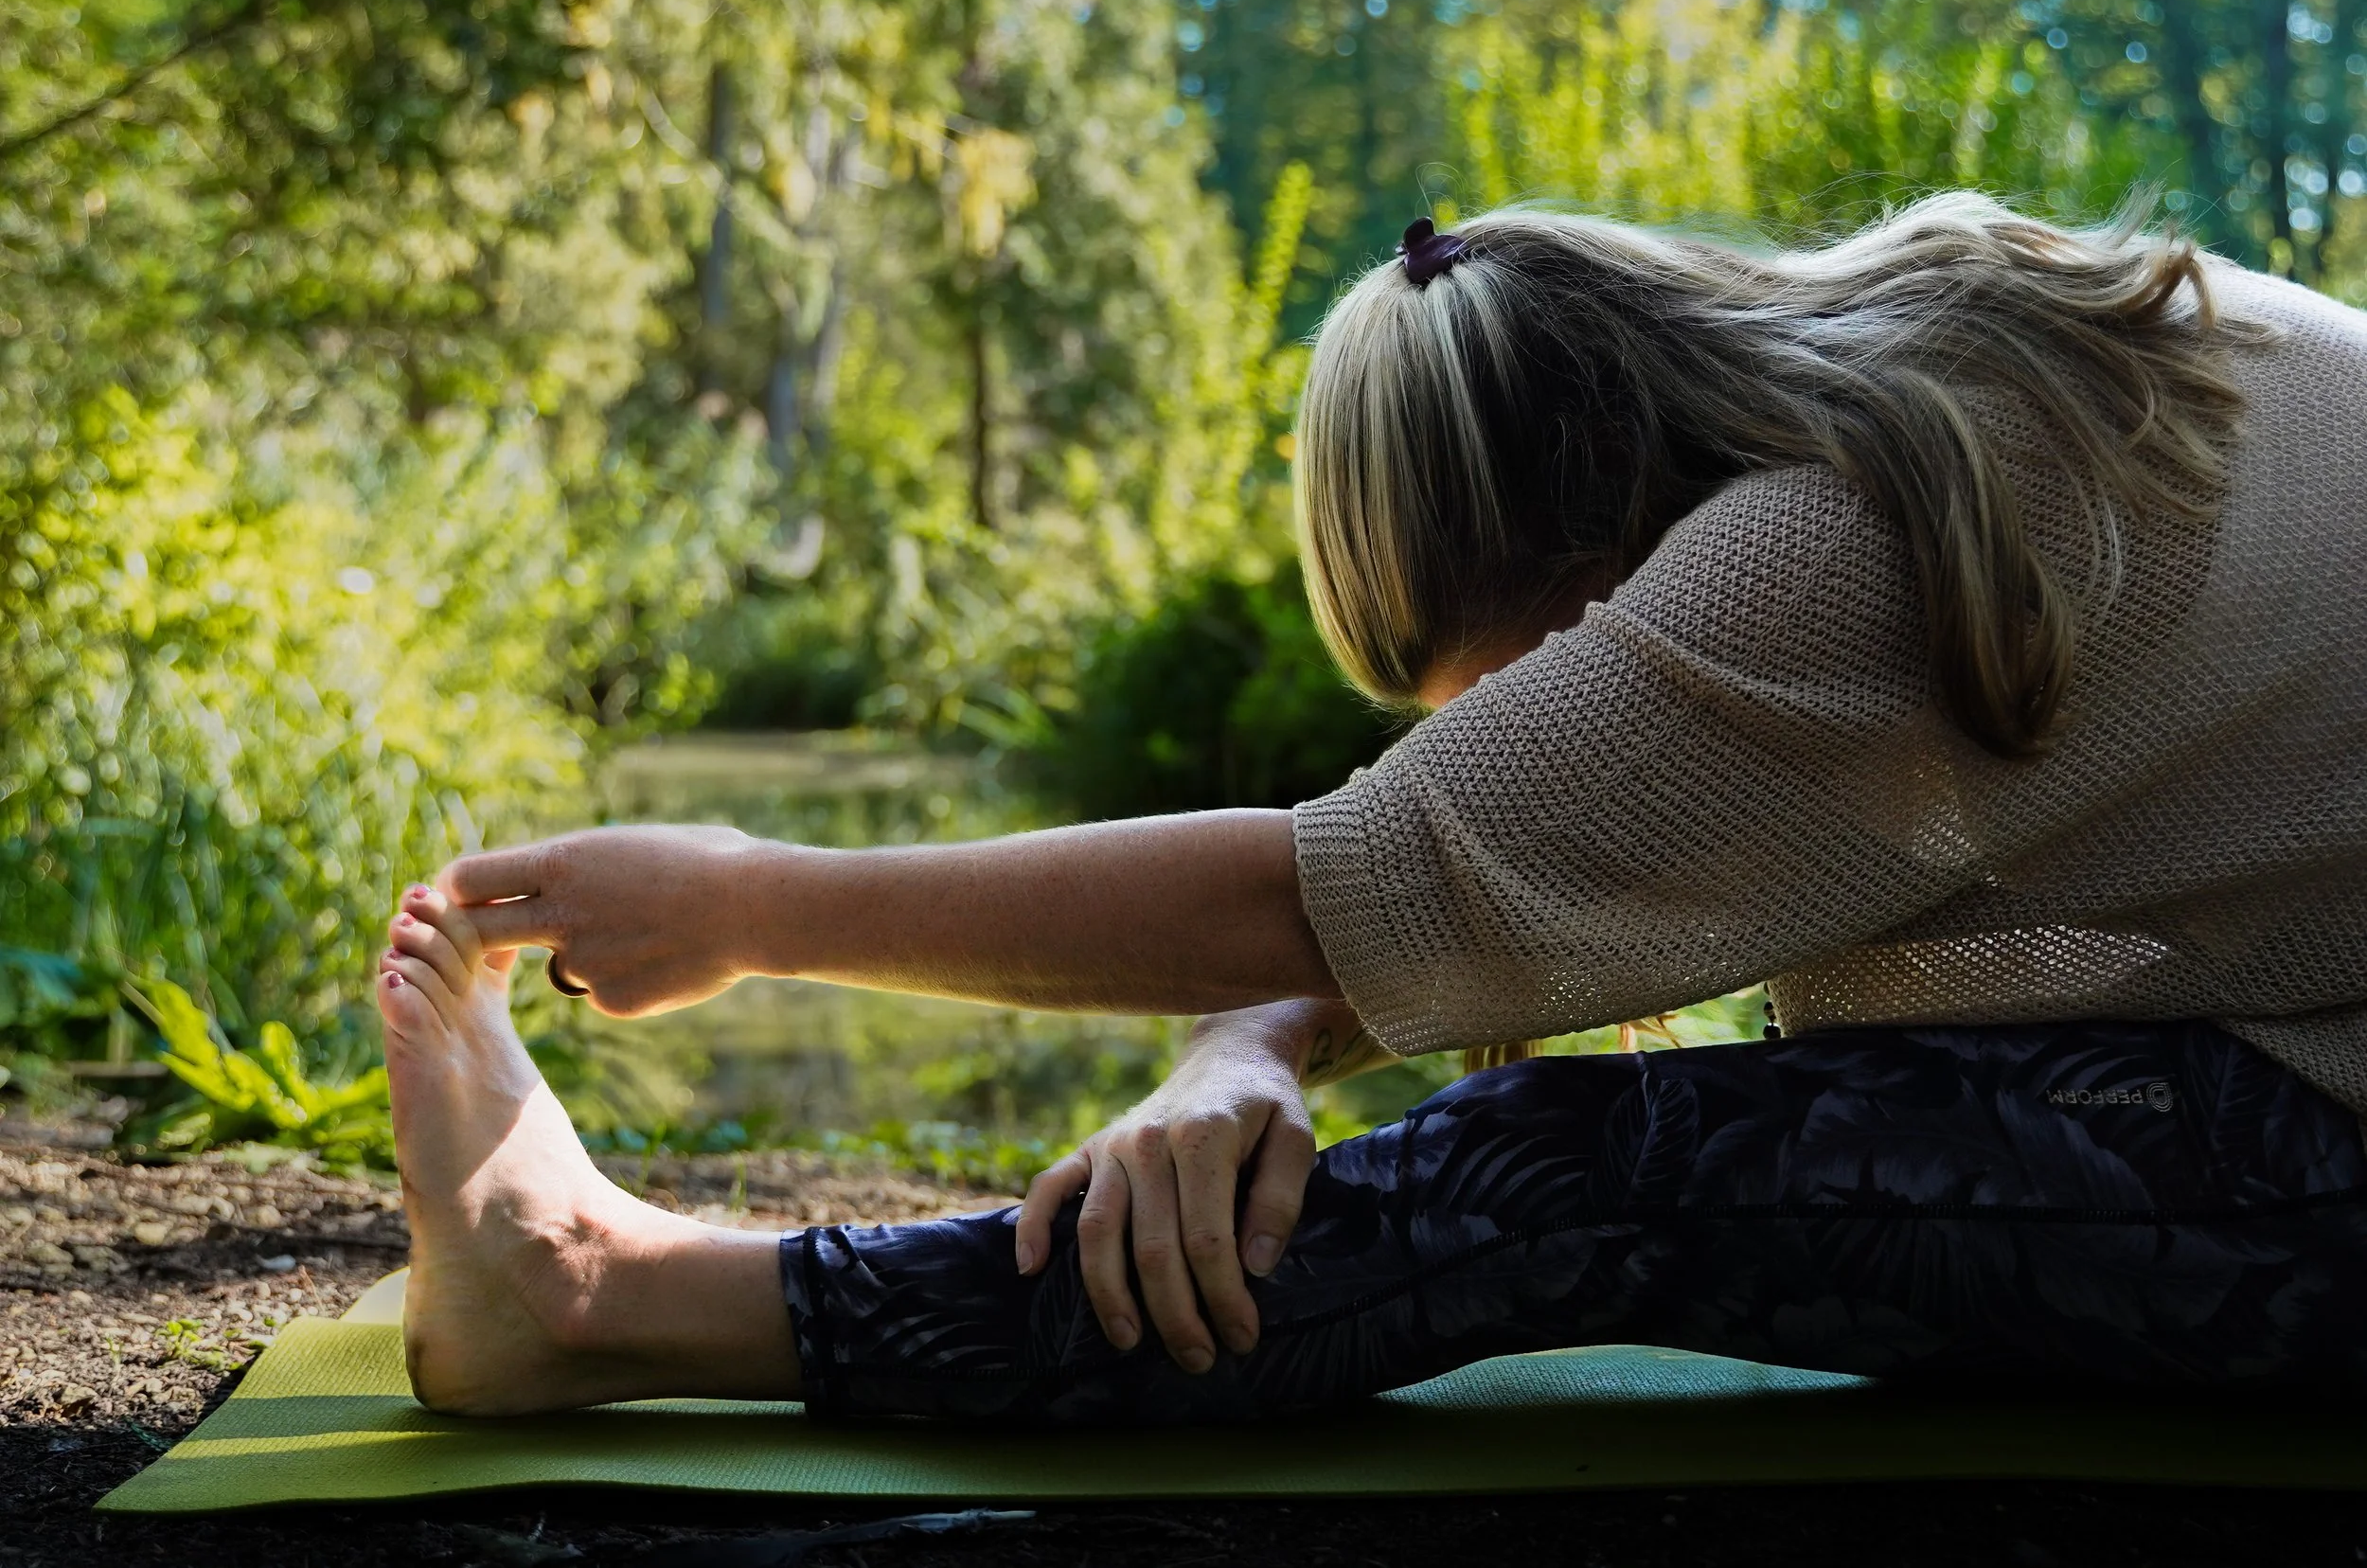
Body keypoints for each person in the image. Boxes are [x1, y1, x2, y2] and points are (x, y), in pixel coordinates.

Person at [373, 193, 2367, 1421]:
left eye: (1499, 702)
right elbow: (1456, 873)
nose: (1517, 744)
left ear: (1587, 571)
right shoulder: (1953, 374)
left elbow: (1347, 885)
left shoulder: (1827, 555)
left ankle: (596, 1296)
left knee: (1585, 1170)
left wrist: (755, 897)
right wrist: (1232, 1054)